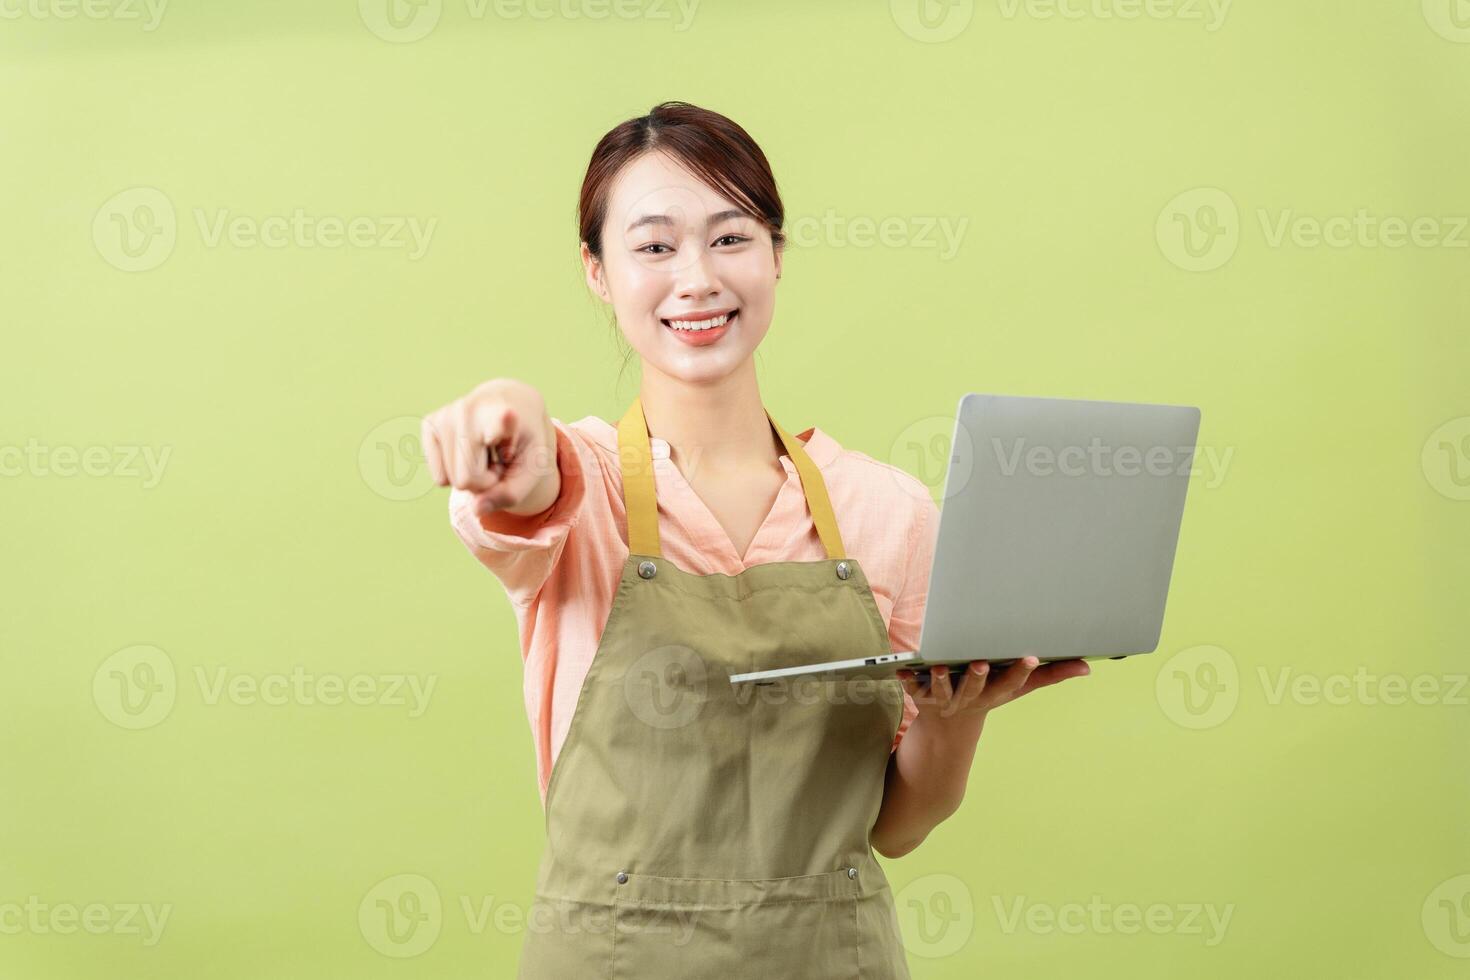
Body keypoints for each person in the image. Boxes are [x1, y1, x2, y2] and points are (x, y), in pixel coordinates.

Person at [420, 101, 1090, 979]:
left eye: (730, 238)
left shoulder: (884, 509)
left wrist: (956, 721)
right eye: (654, 247)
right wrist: (503, 414)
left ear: (776, 254)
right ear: (597, 272)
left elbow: (898, 826)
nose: (696, 278)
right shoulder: (582, 486)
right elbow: (527, 480)